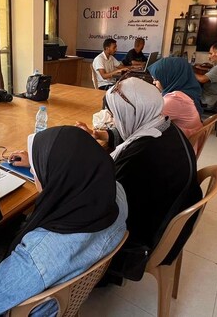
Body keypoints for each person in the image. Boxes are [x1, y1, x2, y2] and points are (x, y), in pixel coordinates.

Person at [0, 127, 127, 316]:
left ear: (58, 177)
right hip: (66, 297)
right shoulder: (117, 195)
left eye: (36, 170)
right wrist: (40, 160)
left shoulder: (38, 256)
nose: (32, 170)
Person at [75, 77, 201, 281]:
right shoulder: (163, 126)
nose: (114, 121)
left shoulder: (141, 157)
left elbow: (103, 200)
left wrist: (67, 160)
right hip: (164, 217)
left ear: (134, 114)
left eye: (115, 116)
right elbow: (130, 137)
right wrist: (96, 134)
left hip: (139, 242)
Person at [148, 57, 203, 138]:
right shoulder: (187, 91)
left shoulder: (175, 99)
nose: (153, 82)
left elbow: (149, 120)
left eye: (156, 79)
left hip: (179, 144)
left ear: (168, 77)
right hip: (185, 139)